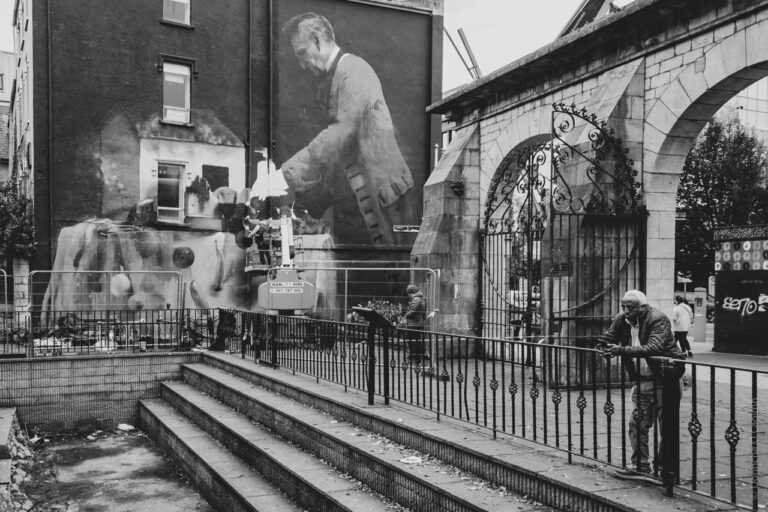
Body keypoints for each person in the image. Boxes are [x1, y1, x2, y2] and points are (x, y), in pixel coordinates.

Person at [279, 12, 417, 246]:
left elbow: (343, 131)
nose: (302, 64)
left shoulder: (353, 71)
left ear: (316, 39)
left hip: (387, 201)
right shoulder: (335, 77)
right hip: (374, 201)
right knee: (382, 276)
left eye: (302, 53)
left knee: (398, 275)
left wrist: (292, 170)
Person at [598, 290, 685, 481]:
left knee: (667, 428)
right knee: (636, 424)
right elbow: (608, 338)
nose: (626, 311)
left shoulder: (658, 319)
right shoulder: (622, 319)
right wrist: (603, 347)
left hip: (665, 380)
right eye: (623, 306)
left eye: (631, 307)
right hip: (642, 381)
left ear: (643, 308)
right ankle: (641, 466)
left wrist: (620, 350)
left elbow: (653, 348)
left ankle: (665, 471)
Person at [403, 284, 427, 367]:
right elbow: (423, 313)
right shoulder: (421, 298)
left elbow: (413, 311)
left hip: (413, 324)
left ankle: (416, 359)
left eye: (408, 294)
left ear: (411, 293)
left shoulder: (416, 299)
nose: (408, 296)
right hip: (419, 323)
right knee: (416, 342)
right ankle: (416, 358)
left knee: (413, 342)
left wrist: (405, 315)